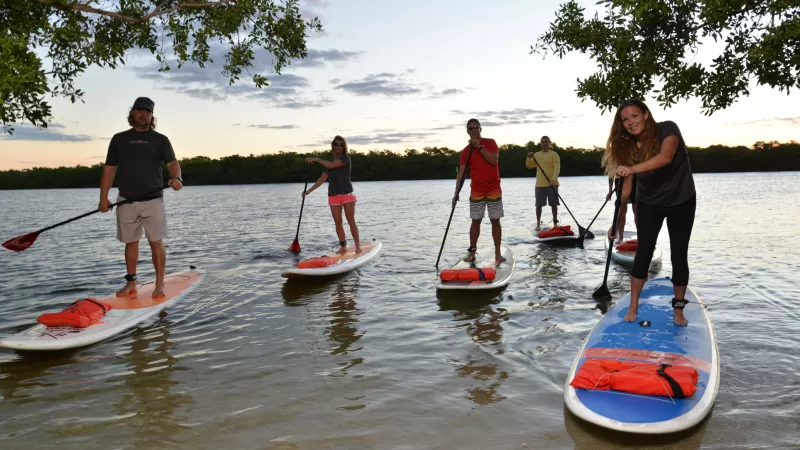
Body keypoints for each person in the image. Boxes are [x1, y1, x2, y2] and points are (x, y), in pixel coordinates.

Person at [603, 99, 696, 326]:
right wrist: (616, 224)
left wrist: (632, 168)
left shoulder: (667, 128)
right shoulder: (628, 147)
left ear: (646, 114)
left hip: (681, 200)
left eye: (634, 116)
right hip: (649, 203)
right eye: (625, 119)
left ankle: (678, 310)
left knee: (679, 254)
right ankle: (633, 307)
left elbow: (665, 158)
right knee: (643, 253)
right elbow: (626, 192)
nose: (630, 122)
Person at [99, 97, 183, 298]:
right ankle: (131, 283)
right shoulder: (119, 139)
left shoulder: (160, 140)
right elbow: (109, 169)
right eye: (139, 110)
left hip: (153, 200)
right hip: (125, 199)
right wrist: (104, 198)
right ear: (132, 113)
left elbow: (172, 163)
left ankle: (160, 283)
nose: (143, 114)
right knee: (131, 242)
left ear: (152, 116)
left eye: (147, 111)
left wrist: (177, 178)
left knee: (156, 242)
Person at [452, 118, 505, 263]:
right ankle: (472, 252)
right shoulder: (465, 152)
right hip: (477, 190)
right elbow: (461, 173)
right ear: (467, 132)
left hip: (493, 188)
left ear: (480, 129)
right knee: (476, 221)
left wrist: (480, 147)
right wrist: (456, 194)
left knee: (495, 220)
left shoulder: (490, 143)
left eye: (476, 127)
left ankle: (498, 253)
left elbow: (493, 161)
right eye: (470, 128)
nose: (474, 130)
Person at [303, 135, 361, 254]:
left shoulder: (345, 158)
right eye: (336, 144)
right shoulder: (328, 163)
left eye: (341, 145)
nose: (339, 147)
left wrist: (316, 159)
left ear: (343, 146)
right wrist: (308, 191)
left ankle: (357, 246)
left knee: (351, 220)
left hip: (347, 194)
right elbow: (322, 178)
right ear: (333, 146)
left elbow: (332, 165)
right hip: (333, 196)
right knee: (338, 222)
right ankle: (343, 246)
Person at [525, 136, 560, 231]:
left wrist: (553, 179)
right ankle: (538, 224)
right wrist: (528, 157)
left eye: (546, 142)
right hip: (540, 184)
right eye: (543, 142)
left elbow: (557, 168)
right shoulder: (537, 155)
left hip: (552, 184)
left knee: (554, 204)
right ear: (540, 143)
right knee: (538, 205)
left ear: (549, 143)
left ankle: (555, 224)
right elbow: (529, 166)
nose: (544, 143)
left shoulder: (554, 154)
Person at [606, 173, 638, 243]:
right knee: (622, 211)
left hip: (635, 180)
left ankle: (641, 237)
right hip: (620, 181)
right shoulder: (614, 162)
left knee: (636, 210)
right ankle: (620, 238)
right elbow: (611, 174)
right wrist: (610, 191)